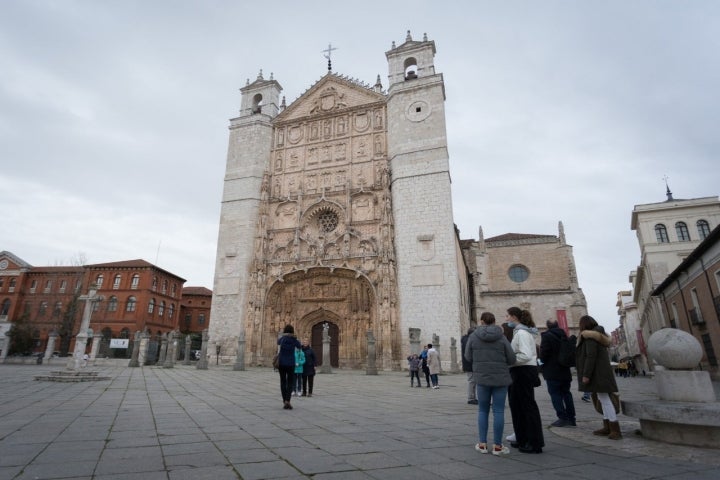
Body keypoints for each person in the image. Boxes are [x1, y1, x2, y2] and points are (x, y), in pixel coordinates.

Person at [465, 312, 516, 456]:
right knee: (499, 411)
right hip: (500, 378)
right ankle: (498, 446)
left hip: (482, 378)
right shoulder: (501, 336)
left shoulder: (474, 336)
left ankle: (482, 444)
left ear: (481, 321)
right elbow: (512, 358)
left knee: (483, 410)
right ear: (494, 321)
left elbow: (468, 356)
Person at [576, 315, 621, 440]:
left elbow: (591, 356)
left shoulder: (590, 337)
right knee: (603, 399)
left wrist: (586, 375)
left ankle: (615, 429)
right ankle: (607, 426)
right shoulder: (598, 335)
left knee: (606, 401)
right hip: (600, 373)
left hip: (598, 373)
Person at [507, 307, 544, 454]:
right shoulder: (521, 332)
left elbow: (526, 355)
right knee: (518, 407)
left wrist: (509, 361)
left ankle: (534, 443)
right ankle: (523, 438)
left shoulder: (521, 333)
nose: (506, 319)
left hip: (522, 371)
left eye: (508, 316)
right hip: (521, 371)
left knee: (527, 407)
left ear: (515, 317)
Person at [540, 320, 576, 427]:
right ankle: (571, 418)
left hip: (552, 371)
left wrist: (540, 363)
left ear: (547, 326)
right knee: (567, 394)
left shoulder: (547, 336)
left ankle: (562, 417)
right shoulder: (564, 335)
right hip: (565, 370)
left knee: (555, 394)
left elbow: (544, 354)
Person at [277, 324, 301, 409]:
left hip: (282, 363)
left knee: (283, 382)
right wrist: (294, 337)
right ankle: (288, 400)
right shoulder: (294, 340)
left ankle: (284, 401)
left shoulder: (282, 339)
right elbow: (299, 346)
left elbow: (278, 342)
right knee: (290, 382)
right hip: (290, 364)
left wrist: (284, 336)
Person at [461, 327, 478, 404]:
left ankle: (472, 397)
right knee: (472, 381)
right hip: (470, 364)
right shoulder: (468, 340)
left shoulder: (465, 339)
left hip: (468, 363)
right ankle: (471, 398)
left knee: (473, 381)